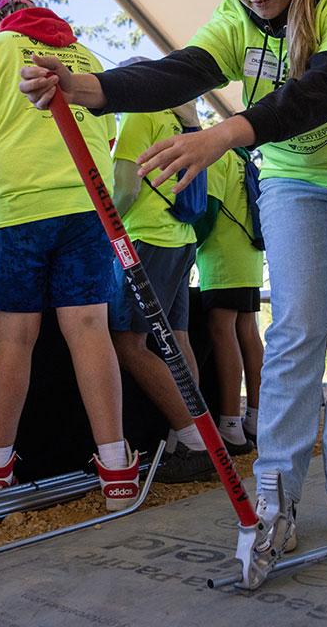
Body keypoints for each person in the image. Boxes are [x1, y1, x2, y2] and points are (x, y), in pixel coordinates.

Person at [20, 0, 327, 547]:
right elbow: (177, 73)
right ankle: (276, 493)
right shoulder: (236, 17)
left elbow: (325, 91)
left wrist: (222, 135)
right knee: (295, 330)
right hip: (296, 179)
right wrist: (87, 88)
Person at [0, 0, 139, 511]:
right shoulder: (87, 58)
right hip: (87, 205)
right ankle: (117, 469)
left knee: (14, 338)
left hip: (15, 209)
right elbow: (109, 133)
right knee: (91, 332)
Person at [106, 82, 212, 484]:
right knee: (178, 339)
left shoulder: (140, 113)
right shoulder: (180, 119)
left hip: (146, 237)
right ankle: (188, 438)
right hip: (182, 239)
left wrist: (101, 234)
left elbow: (125, 187)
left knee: (128, 343)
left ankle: (195, 441)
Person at [194, 149, 265, 458]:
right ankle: (256, 419)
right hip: (249, 255)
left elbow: (207, 210)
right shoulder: (244, 160)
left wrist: (185, 239)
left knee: (222, 331)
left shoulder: (216, 156)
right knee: (248, 332)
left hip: (222, 253)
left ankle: (230, 424)